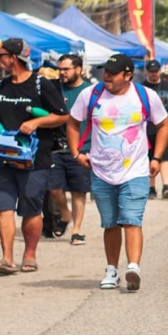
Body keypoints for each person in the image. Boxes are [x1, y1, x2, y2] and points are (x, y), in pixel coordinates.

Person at [65, 54, 168, 290]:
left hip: (136, 169)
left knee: (131, 220)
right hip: (101, 170)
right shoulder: (90, 94)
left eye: (113, 72)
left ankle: (133, 267)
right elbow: (72, 122)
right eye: (105, 71)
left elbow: (163, 125)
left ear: (128, 75)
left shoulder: (145, 96)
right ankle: (112, 270)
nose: (107, 76)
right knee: (110, 223)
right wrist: (75, 152)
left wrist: (157, 158)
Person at [0, 38, 69, 275]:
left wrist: (36, 122)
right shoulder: (0, 87)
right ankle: (6, 258)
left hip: (35, 159)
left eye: (1, 54)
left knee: (31, 208)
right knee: (3, 207)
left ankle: (30, 254)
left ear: (13, 58)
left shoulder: (41, 84)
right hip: (4, 157)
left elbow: (63, 116)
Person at [47, 54, 93, 245]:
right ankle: (65, 215)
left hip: (82, 148)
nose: (62, 73)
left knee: (78, 191)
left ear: (79, 69)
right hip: (56, 148)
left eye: (66, 69)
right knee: (53, 188)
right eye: (60, 69)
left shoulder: (89, 91)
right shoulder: (54, 89)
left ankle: (76, 230)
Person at [142, 60, 168, 200]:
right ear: (146, 72)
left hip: (166, 128)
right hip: (146, 129)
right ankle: (151, 188)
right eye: (151, 72)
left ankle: (166, 186)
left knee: (165, 157)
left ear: (160, 71)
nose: (154, 74)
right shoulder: (141, 87)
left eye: (156, 71)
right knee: (149, 158)